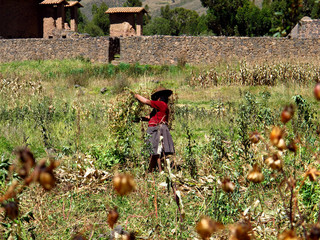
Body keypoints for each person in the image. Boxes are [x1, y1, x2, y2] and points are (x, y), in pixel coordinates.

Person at [134, 87, 175, 172]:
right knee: (155, 151)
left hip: (157, 129)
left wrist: (135, 95)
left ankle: (157, 171)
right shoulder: (159, 108)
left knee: (156, 151)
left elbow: (145, 101)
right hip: (156, 128)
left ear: (160, 97)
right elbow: (149, 118)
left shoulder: (161, 104)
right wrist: (139, 119)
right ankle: (152, 171)